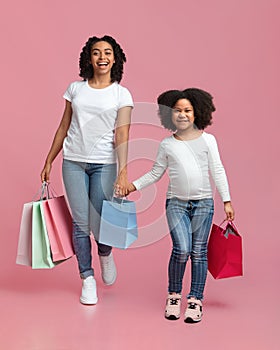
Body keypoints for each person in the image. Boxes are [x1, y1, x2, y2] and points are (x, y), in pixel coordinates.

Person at [40, 35, 133, 305]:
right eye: (96, 52)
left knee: (101, 221)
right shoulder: (75, 89)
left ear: (115, 58)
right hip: (73, 162)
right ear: (88, 58)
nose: (101, 57)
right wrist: (49, 160)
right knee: (81, 223)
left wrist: (124, 171)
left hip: (105, 163)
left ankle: (105, 253)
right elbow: (63, 126)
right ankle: (87, 278)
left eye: (107, 52)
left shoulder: (121, 93)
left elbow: (123, 134)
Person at [128, 88, 234, 323]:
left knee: (198, 252)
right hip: (176, 204)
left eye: (188, 110)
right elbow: (156, 173)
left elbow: (217, 170)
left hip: (204, 204)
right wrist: (133, 186)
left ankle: (195, 299)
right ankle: (174, 295)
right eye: (177, 111)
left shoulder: (208, 140)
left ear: (197, 113)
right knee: (181, 249)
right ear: (169, 115)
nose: (182, 115)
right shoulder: (167, 145)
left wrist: (226, 200)